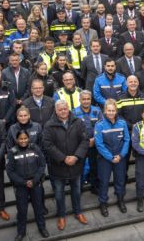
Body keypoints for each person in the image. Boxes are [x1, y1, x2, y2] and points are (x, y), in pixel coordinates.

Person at [43, 100, 89, 230]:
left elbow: (84, 140)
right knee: (59, 193)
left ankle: (78, 212)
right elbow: (48, 145)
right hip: (58, 167)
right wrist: (63, 158)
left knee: (76, 191)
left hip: (75, 164)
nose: (63, 111)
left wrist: (75, 156)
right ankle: (61, 216)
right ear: (56, 110)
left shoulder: (78, 122)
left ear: (68, 108)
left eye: (65, 109)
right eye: (60, 109)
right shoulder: (49, 125)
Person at [6, 129, 49, 241]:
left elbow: (42, 165)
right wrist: (24, 182)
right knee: (22, 210)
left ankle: (42, 228)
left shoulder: (35, 148)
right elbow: (10, 171)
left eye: (25, 138)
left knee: (38, 207)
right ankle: (21, 232)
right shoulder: (12, 152)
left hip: (35, 183)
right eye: (21, 138)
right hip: (21, 185)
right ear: (17, 139)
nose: (23, 140)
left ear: (28, 138)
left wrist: (34, 180)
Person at [94, 99, 130, 216]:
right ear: (105, 111)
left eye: (113, 110)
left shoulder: (122, 123)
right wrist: (110, 157)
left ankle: (120, 199)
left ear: (116, 111)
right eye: (108, 110)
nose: (111, 113)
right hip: (105, 159)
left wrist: (121, 155)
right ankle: (103, 203)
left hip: (120, 158)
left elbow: (126, 140)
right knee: (104, 181)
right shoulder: (99, 125)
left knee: (120, 180)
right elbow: (99, 144)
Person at [73, 91, 103, 194]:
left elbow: (101, 126)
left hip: (95, 144)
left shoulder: (97, 111)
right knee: (79, 167)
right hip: (81, 145)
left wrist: (95, 139)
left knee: (95, 166)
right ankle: (79, 188)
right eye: (84, 99)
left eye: (88, 99)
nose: (86, 101)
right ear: (80, 100)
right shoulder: (74, 112)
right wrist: (86, 141)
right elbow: (74, 130)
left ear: (91, 99)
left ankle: (94, 186)